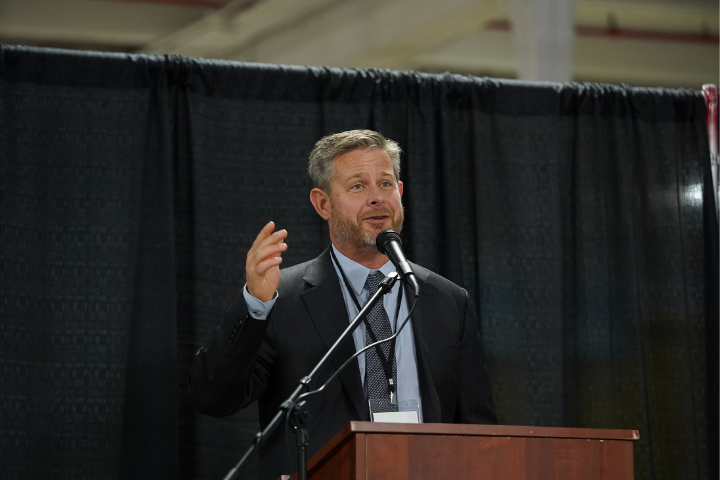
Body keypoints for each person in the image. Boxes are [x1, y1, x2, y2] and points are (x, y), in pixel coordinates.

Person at [189, 130, 497, 479]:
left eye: (385, 184)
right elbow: (212, 397)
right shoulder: (282, 298)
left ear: (399, 192)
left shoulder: (448, 300)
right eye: (358, 186)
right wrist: (255, 305)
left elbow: (480, 433)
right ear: (323, 204)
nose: (376, 198)